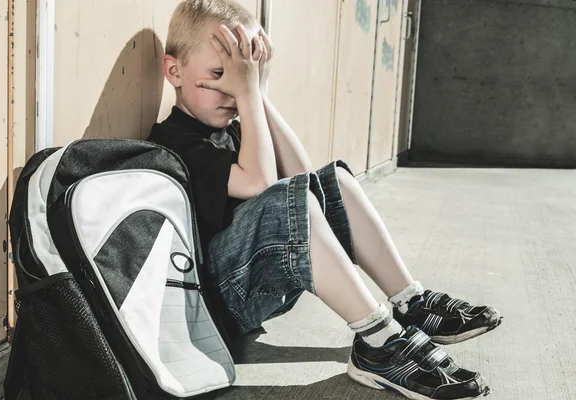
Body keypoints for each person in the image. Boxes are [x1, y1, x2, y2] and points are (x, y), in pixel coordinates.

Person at [147, 1, 502, 398]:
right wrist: (247, 92)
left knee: (333, 181)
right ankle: (378, 342)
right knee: (283, 201)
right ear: (174, 71)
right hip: (217, 304)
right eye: (219, 75)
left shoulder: (228, 125)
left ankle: (410, 302)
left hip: (255, 284)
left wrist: (258, 92)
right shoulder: (173, 143)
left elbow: (305, 178)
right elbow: (262, 184)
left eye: (240, 77)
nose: (232, 92)